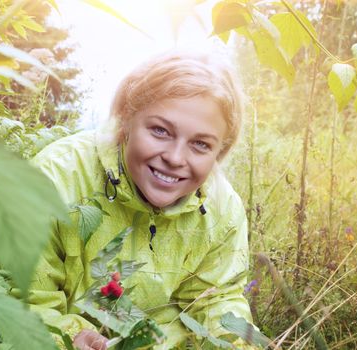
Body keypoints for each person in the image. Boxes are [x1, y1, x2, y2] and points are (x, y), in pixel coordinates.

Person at [29, 50, 255, 349]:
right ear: (126, 119)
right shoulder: (58, 177)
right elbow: (24, 294)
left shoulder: (222, 210)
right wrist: (68, 334)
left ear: (219, 152)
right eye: (160, 130)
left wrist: (240, 345)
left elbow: (218, 300)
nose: (175, 158)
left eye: (200, 144)